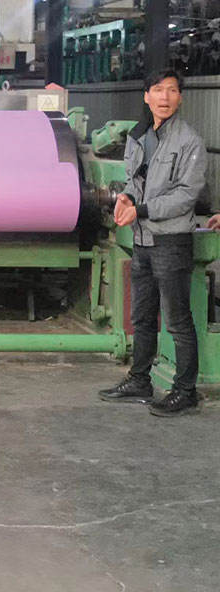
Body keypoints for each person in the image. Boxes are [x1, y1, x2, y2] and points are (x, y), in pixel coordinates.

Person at [99, 69, 208, 417]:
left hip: (171, 241)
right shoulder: (139, 135)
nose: (165, 97)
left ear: (180, 98)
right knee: (142, 316)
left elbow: (186, 196)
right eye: (158, 90)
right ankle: (139, 380)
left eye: (172, 90)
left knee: (177, 320)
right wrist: (127, 197)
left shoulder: (189, 141)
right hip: (143, 240)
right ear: (146, 96)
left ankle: (185, 391)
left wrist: (141, 209)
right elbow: (134, 179)